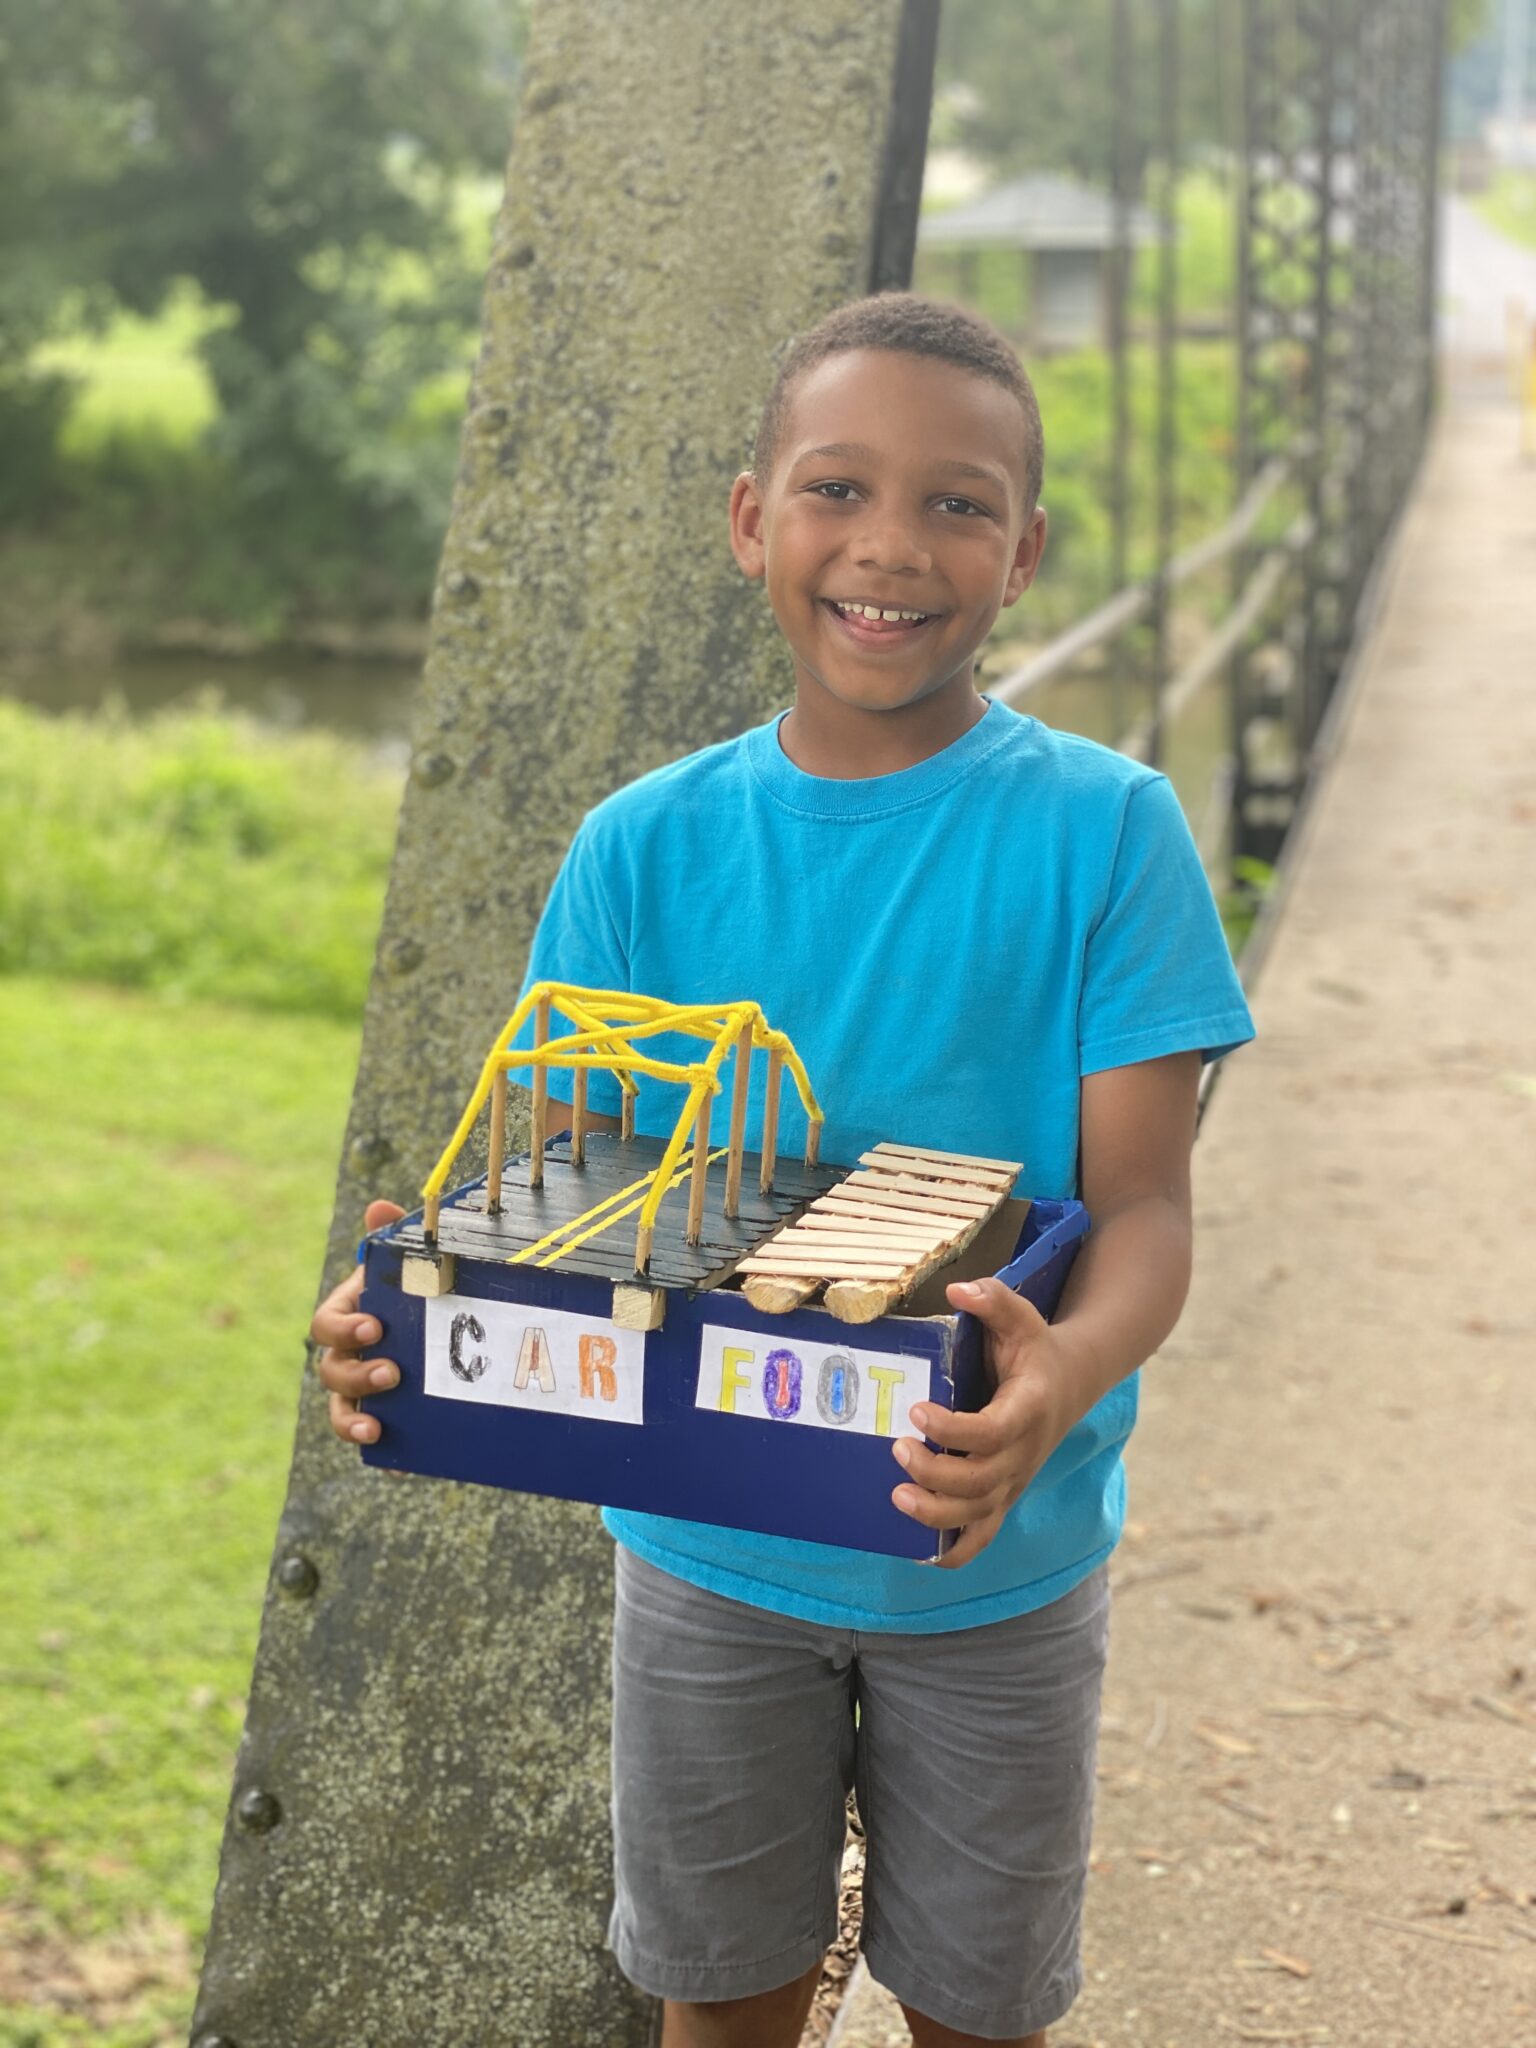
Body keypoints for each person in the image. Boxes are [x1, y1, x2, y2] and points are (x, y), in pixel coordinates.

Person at [314, 292, 1255, 2048]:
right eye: (838, 489)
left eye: (959, 504)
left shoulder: (1108, 833)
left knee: (977, 2009)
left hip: (994, 1554)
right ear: (753, 520)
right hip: (707, 1561)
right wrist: (415, 1303)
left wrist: (1056, 1379)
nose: (892, 546)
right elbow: (549, 1187)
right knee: (720, 2001)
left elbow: (1141, 1210)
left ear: (1027, 550)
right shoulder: (641, 848)